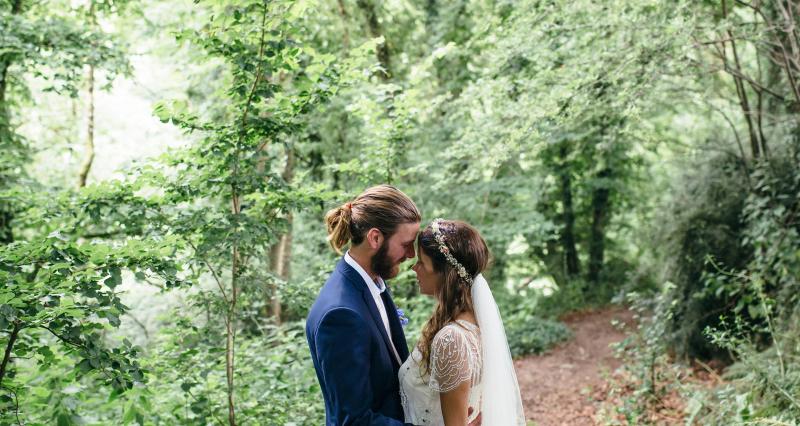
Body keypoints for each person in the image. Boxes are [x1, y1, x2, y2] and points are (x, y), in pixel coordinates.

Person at [306, 185, 420, 425]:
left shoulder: (372, 281)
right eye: (406, 243)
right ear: (375, 238)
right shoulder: (341, 315)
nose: (411, 254)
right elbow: (355, 420)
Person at [400, 219, 526, 425]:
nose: (415, 268)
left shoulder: (452, 338)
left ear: (445, 273)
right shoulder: (477, 326)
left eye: (422, 262)